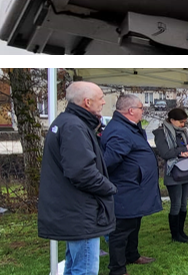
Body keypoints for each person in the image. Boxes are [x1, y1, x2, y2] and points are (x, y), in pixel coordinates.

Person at [40, 81, 116, 275]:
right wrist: (109, 188)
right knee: (84, 270)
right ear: (87, 102)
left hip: (73, 210)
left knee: (73, 267)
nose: (103, 102)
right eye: (100, 99)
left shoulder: (67, 122)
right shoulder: (74, 127)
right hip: (80, 213)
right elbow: (81, 172)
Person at [100, 95, 161, 274]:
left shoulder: (129, 127)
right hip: (125, 188)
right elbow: (108, 161)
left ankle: (132, 255)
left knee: (134, 224)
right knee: (121, 230)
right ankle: (118, 269)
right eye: (141, 108)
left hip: (135, 188)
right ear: (130, 110)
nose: (143, 111)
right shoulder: (120, 130)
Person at [153, 107, 188, 243]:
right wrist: (183, 150)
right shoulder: (161, 133)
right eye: (180, 122)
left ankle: (181, 231)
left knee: (184, 203)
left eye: (184, 122)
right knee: (176, 204)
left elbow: (183, 148)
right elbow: (165, 153)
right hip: (173, 172)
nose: (183, 125)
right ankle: (175, 234)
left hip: (186, 169)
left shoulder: (182, 132)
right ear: (171, 120)